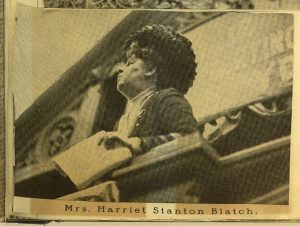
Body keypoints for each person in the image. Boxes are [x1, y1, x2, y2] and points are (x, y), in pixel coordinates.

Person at [98, 24, 202, 156]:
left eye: (131, 63)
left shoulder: (166, 98)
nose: (120, 69)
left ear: (150, 69)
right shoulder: (121, 122)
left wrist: (137, 143)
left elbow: (189, 137)